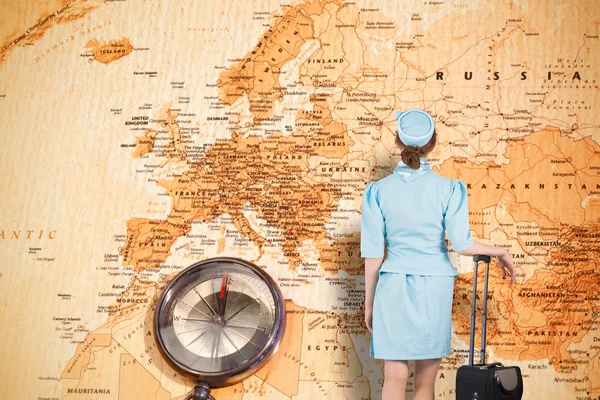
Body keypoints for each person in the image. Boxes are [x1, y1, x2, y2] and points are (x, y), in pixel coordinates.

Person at [361, 109, 516, 400]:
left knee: (394, 378)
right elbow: (463, 244)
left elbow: (372, 255)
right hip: (434, 287)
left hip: (391, 286)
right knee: (425, 385)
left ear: (398, 142)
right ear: (433, 143)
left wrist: (369, 303)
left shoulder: (377, 191)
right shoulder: (449, 189)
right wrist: (501, 251)